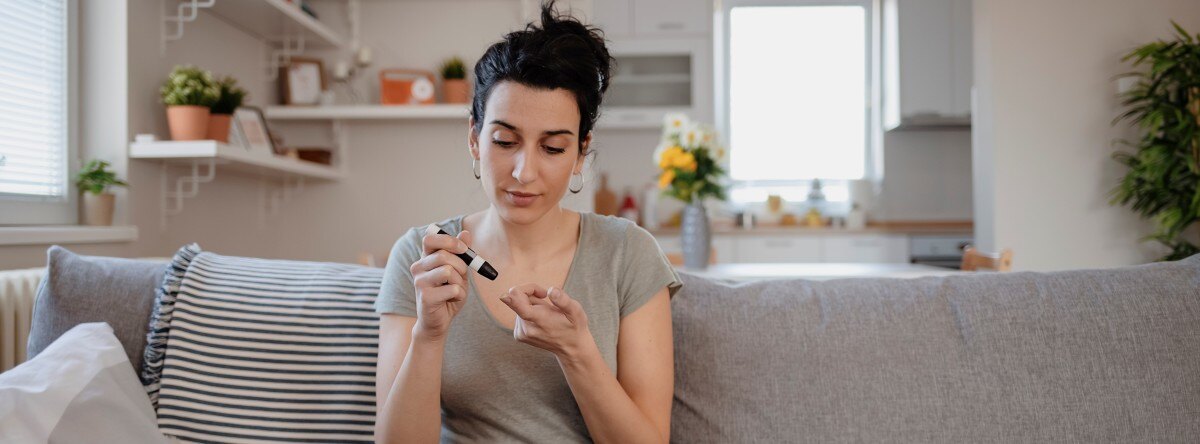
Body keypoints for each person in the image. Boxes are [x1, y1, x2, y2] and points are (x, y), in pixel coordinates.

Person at [373, 2, 684, 442]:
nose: (524, 171)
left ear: (581, 152)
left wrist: (577, 353)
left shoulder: (628, 253)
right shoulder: (423, 255)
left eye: (553, 148)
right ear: (474, 139)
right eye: (505, 140)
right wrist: (428, 335)